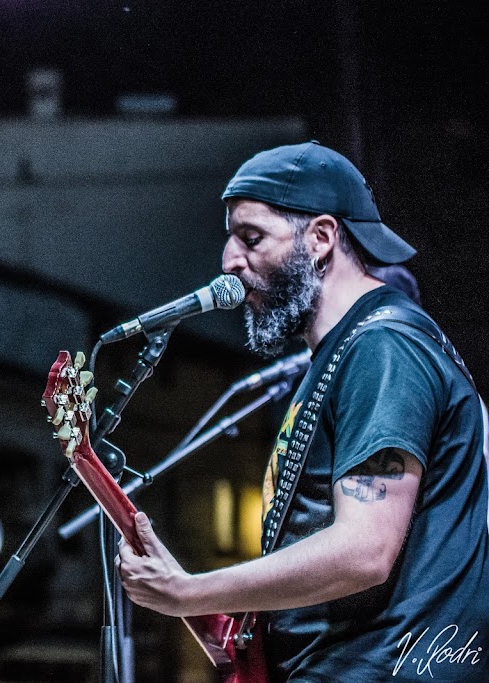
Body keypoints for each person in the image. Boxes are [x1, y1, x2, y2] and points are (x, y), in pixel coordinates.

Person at [117, 141, 488, 682]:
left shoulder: (383, 348)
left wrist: (189, 591)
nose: (229, 260)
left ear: (320, 238)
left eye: (251, 237)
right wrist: (220, 612)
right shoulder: (341, 355)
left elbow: (365, 551)